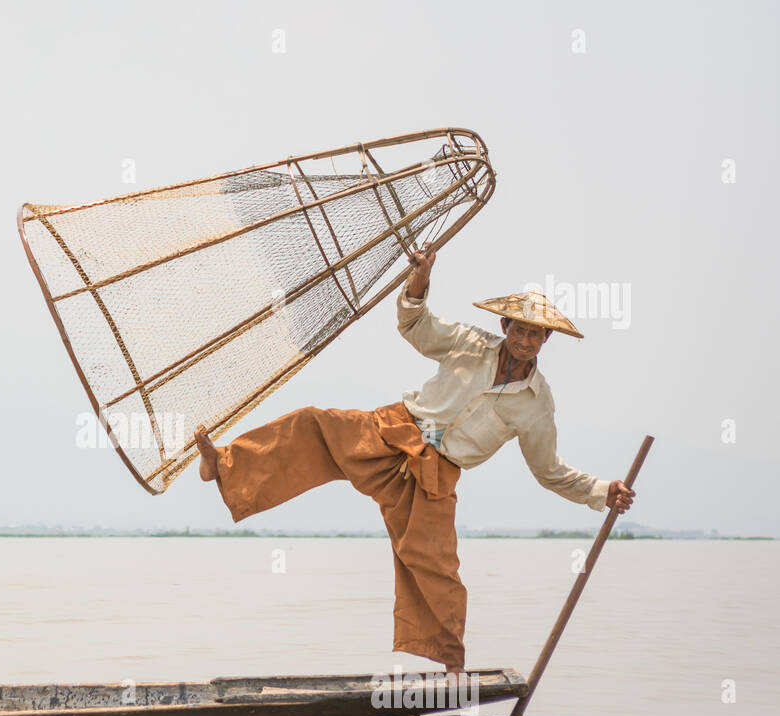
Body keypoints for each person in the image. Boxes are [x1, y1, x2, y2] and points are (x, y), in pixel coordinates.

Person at [194, 244, 635, 674]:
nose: (524, 339)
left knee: (436, 565)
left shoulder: (537, 403)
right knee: (313, 425)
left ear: (546, 339)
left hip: (436, 475)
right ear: (503, 326)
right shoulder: (467, 342)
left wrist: (601, 491)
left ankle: (452, 667)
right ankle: (225, 464)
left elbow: (548, 470)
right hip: (395, 431)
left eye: (534, 333)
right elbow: (416, 326)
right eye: (517, 329)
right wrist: (419, 281)